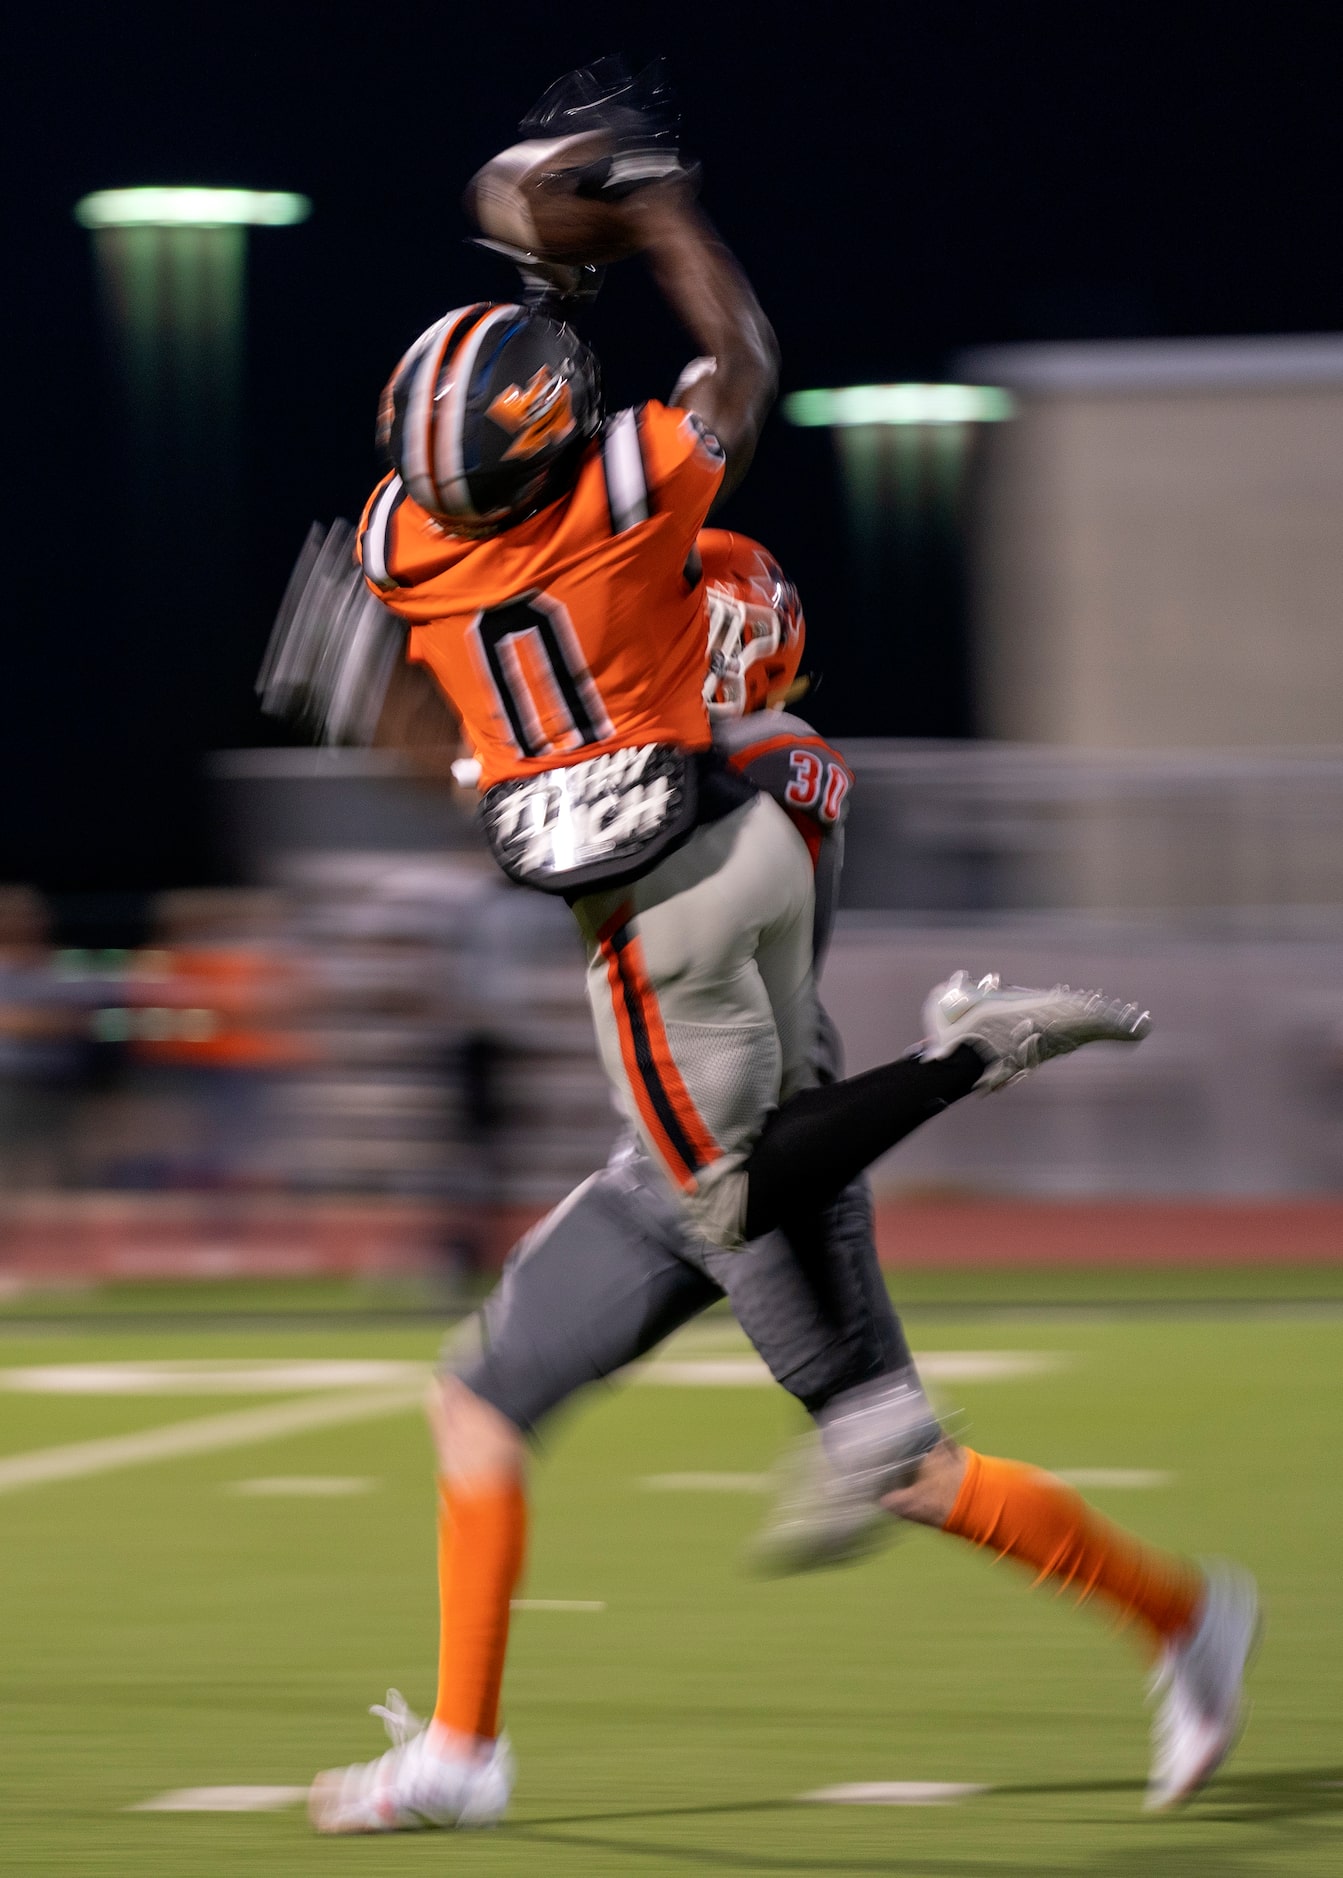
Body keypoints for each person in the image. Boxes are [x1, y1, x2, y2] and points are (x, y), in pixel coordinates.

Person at [308, 532, 1255, 1834]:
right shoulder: (686, 759)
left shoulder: (763, 765)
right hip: (662, 1162)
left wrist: (393, 697)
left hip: (771, 1170)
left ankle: (1188, 1618)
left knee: (906, 1471)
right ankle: (462, 1750)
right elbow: (512, 784)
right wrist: (393, 705)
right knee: (477, 1401)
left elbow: (539, 791)